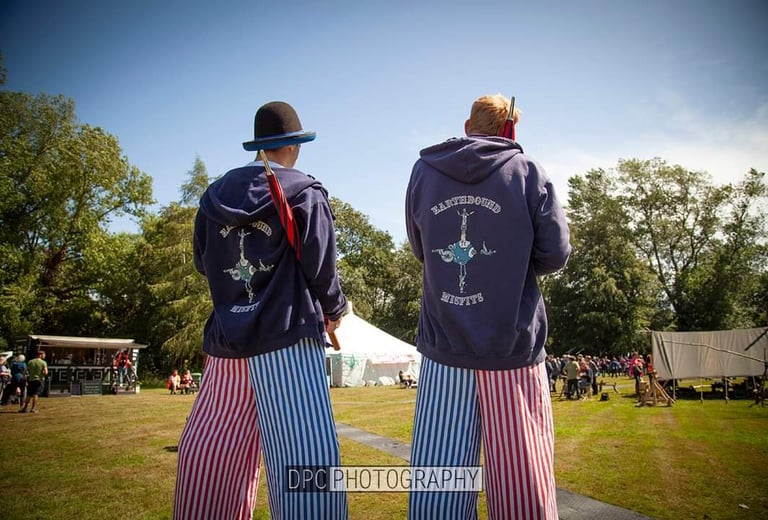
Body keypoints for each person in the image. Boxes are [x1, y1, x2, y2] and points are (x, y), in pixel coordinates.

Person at [174, 101, 348, 520]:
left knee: (215, 452)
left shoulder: (213, 195)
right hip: (285, 335)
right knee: (306, 459)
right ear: (293, 146)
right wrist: (335, 309)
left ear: (259, 146)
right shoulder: (304, 192)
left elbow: (203, 263)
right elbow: (320, 267)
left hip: (227, 341)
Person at [405, 94, 571, 519]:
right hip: (511, 349)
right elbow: (555, 254)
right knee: (522, 487)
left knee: (438, 487)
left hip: (445, 349)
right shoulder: (527, 170)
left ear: (467, 125)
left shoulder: (423, 172)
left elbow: (420, 246)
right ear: (509, 130)